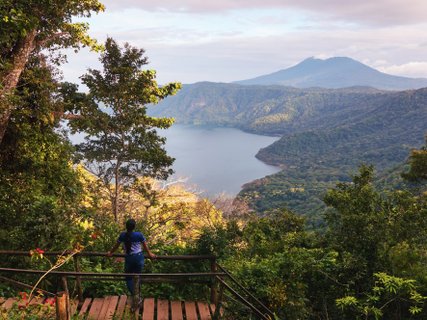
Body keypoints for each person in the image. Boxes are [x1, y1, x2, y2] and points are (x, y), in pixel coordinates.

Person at [107, 218, 156, 294]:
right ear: (134, 227)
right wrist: (150, 254)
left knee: (129, 278)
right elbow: (145, 246)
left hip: (129, 258)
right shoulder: (139, 235)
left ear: (126, 226)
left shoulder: (123, 235)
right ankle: (138, 295)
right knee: (138, 276)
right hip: (139, 257)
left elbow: (116, 246)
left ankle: (133, 294)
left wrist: (110, 253)